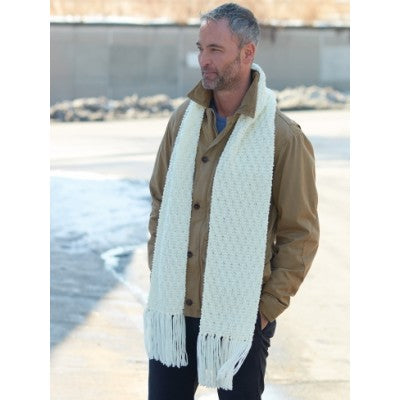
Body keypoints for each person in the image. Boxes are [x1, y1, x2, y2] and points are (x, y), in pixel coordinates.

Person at [143, 3, 319, 400]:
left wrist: (265, 310)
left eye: (215, 50)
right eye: (200, 48)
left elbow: (300, 233)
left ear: (247, 53)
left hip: (241, 318)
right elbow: (159, 201)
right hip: (174, 309)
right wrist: (160, 268)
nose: (203, 60)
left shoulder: (283, 137)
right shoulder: (182, 122)